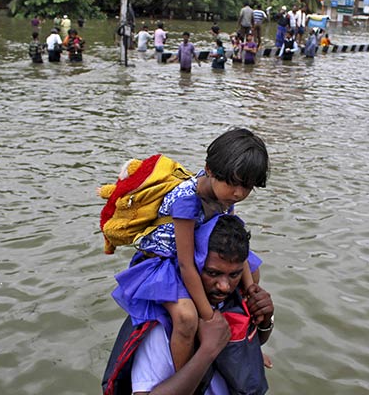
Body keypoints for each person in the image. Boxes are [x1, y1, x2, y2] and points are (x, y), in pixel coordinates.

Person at [111, 129, 269, 373]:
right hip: (164, 262)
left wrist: (250, 288)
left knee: (253, 273)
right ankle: (186, 374)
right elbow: (184, 264)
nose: (238, 193)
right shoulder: (186, 200)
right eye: (232, 183)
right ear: (209, 170)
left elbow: (234, 239)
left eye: (247, 187)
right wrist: (208, 316)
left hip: (199, 251)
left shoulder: (225, 197)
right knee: (186, 318)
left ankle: (245, 345)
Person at [105, 214, 274, 395]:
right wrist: (207, 350)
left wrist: (265, 320)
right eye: (212, 273)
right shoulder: (165, 325)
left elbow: (250, 343)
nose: (224, 286)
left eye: (234, 275)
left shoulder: (231, 299)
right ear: (193, 265)